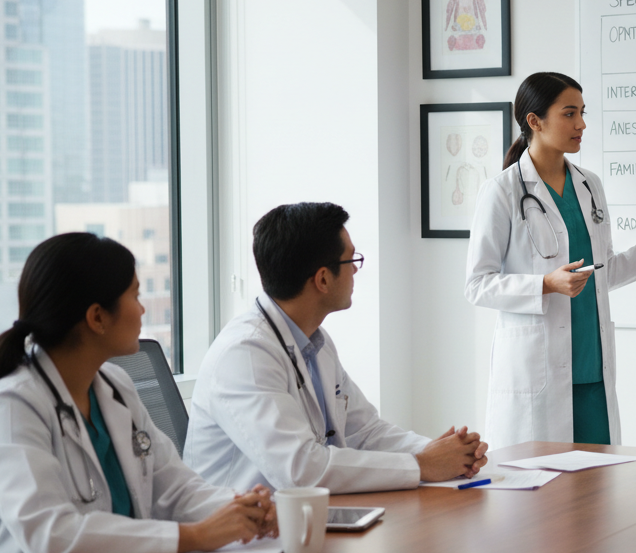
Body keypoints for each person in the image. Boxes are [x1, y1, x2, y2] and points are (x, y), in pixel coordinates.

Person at [0, 233, 277, 553]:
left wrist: (241, 509)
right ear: (97, 318)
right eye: (135, 295)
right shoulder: (10, 407)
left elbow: (175, 490)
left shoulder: (115, 386)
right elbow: (50, 536)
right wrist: (193, 537)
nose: (143, 309)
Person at [186, 203, 487, 493]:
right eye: (352, 261)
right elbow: (301, 469)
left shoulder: (315, 341)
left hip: (302, 521)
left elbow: (366, 431)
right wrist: (421, 465)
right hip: (241, 536)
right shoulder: (245, 355)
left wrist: (441, 453)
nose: (356, 272)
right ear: (323, 279)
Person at [466, 72, 636, 449]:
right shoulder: (501, 192)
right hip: (537, 374)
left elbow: (604, 272)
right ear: (535, 121)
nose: (582, 124)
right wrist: (544, 284)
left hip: (592, 372)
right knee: (544, 500)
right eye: (569, 114)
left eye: (582, 113)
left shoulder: (590, 185)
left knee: (597, 494)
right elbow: (477, 285)